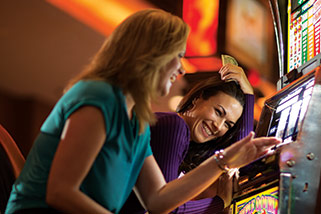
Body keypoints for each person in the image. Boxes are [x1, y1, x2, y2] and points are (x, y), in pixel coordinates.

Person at [5, 9, 280, 214]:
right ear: (149, 54)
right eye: (178, 56)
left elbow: (158, 199)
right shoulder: (98, 96)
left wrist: (224, 160)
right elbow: (60, 192)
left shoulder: (136, 120)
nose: (182, 69)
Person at [122, 64, 257, 213]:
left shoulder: (192, 146)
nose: (218, 126)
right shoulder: (174, 126)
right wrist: (220, 202)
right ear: (197, 99)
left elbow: (242, 163)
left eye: (228, 124)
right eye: (218, 112)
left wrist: (249, 94)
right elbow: (167, 208)